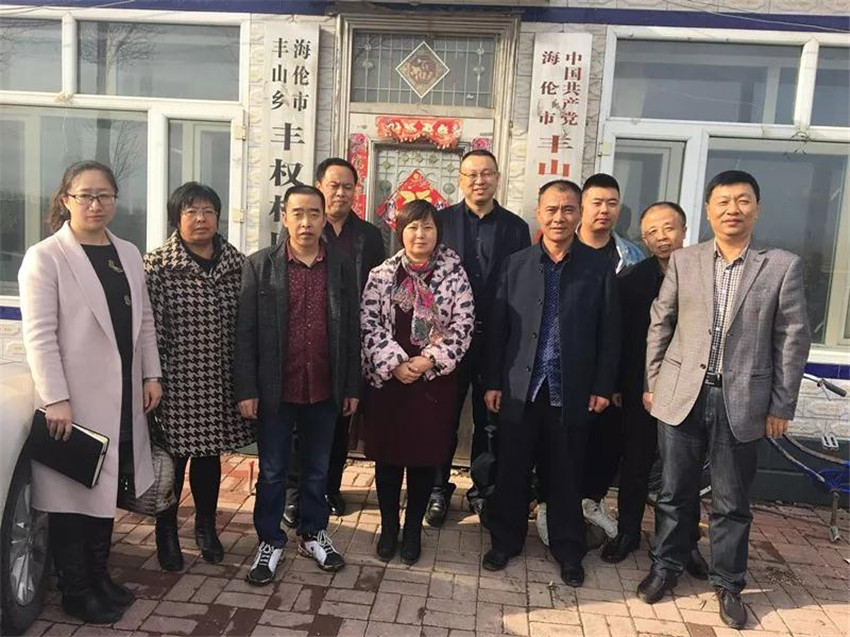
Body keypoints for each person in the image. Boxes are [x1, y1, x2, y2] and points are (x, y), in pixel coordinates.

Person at [638, 171, 811, 630]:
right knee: (673, 492)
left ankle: (729, 583)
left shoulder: (781, 266)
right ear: (708, 210)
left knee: (732, 501)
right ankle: (666, 566)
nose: (732, 209)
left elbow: (792, 339)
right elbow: (661, 323)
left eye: (742, 201)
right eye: (723, 201)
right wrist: (653, 382)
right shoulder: (686, 260)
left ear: (756, 208)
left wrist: (781, 405)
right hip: (681, 395)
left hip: (744, 399)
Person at [18, 161, 162, 623]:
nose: (96, 204)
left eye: (105, 196)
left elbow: (144, 320)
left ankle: (100, 577)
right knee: (70, 496)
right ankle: (76, 591)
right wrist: (55, 397)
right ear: (67, 200)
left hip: (122, 396)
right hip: (74, 400)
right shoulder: (46, 257)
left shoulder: (128, 252)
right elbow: (39, 335)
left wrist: (151, 374)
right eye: (86, 195)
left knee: (105, 489)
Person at [482, 179, 620, 587]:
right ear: (538, 214)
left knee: (566, 474)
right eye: (552, 209)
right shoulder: (516, 264)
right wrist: (493, 381)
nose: (559, 217)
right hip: (520, 388)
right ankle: (505, 541)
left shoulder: (597, 268)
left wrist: (602, 386)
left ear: (578, 214)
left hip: (571, 390)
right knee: (512, 470)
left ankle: (568, 548)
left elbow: (610, 334)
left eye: (568, 209)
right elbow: (497, 330)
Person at [235, 185, 360, 586]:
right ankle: (270, 540)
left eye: (314, 214)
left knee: (317, 470)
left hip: (324, 386)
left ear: (324, 218)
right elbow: (245, 333)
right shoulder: (260, 266)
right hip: (276, 389)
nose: (306, 222)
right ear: (284, 217)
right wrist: (247, 389)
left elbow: (352, 330)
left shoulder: (341, 266)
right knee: (272, 472)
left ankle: (312, 533)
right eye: (298, 213)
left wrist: (351, 386)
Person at [144, 182, 255, 572]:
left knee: (209, 457)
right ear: (177, 218)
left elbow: (247, 325)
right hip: (175, 383)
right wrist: (151, 377)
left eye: (208, 211)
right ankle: (166, 531)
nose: (200, 218)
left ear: (218, 217)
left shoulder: (237, 264)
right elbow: (148, 330)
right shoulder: (157, 265)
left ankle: (206, 528)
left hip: (219, 380)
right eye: (191, 211)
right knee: (172, 461)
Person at [361, 200, 475, 564]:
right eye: (412, 227)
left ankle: (412, 529)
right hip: (391, 382)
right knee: (389, 458)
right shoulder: (382, 275)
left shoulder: (454, 275)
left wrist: (429, 360)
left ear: (438, 232)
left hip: (432, 382)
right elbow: (369, 324)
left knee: (424, 459)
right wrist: (394, 363)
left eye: (427, 227)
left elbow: (463, 325)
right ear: (400, 232)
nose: (420, 234)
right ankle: (389, 527)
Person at [600, 202, 707, 579]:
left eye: (669, 228)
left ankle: (685, 543)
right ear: (644, 239)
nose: (662, 237)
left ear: (684, 230)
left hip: (690, 389)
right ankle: (628, 532)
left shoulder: (705, 276)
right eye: (653, 232)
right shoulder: (631, 280)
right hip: (639, 387)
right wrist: (616, 384)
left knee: (683, 471)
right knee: (635, 464)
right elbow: (619, 337)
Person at [429, 149, 530, 526]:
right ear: (460, 179)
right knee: (443, 416)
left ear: (497, 178)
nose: (479, 181)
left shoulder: (516, 228)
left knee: (489, 420)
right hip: (447, 340)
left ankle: (483, 491)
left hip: (496, 339)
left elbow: (522, 283)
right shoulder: (441, 221)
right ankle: (436, 488)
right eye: (471, 174)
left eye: (486, 173)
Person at [284, 158, 385, 528]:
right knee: (298, 424)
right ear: (319, 187)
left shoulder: (369, 236)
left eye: (348, 187)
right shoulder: (305, 226)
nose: (341, 193)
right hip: (306, 339)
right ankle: (293, 493)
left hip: (349, 340)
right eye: (334, 185)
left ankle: (330, 487)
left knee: (340, 419)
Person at [574, 173, 645, 538]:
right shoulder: (560, 248)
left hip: (612, 369)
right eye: (597, 203)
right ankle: (553, 504)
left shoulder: (632, 257)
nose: (604, 210)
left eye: (612, 203)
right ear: (581, 207)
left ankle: (592, 502)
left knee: (605, 442)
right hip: (568, 366)